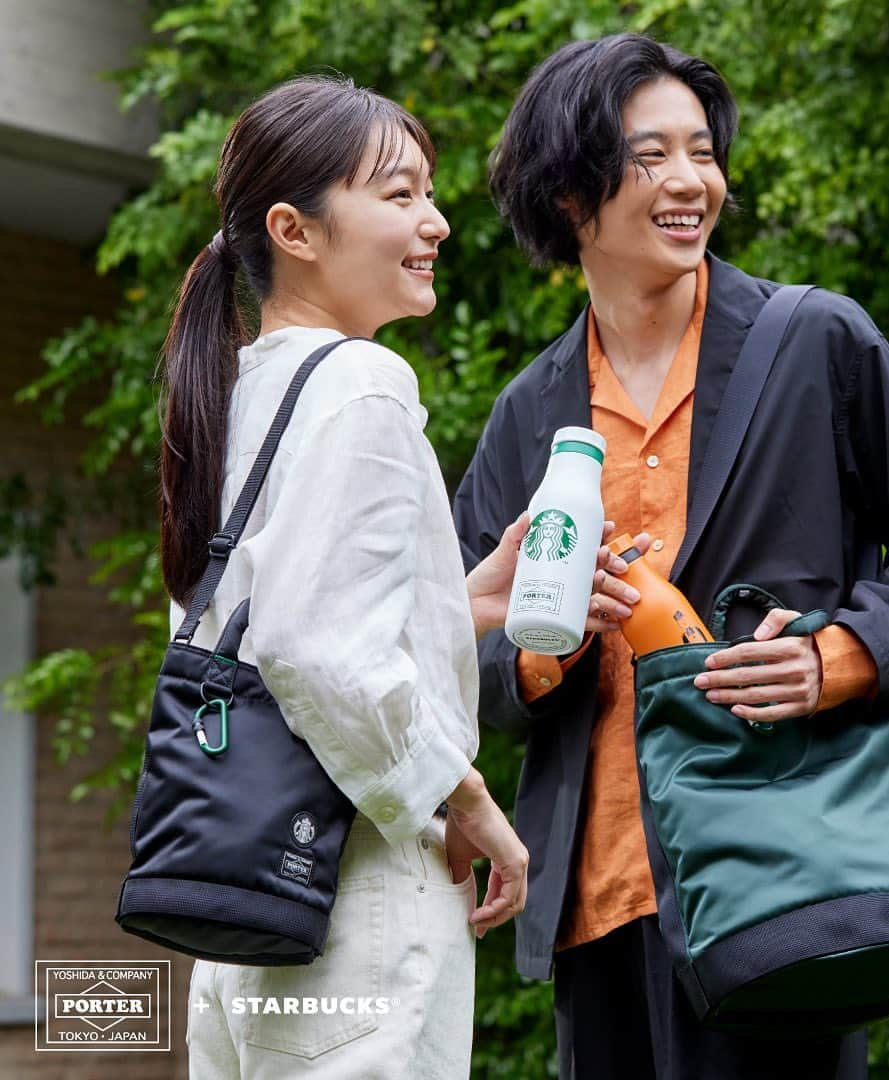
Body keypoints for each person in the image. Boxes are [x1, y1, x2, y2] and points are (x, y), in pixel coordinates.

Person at [453, 33, 889, 1080]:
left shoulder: (817, 342)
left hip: (790, 871)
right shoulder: (526, 417)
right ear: (570, 193)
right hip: (601, 903)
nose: (689, 182)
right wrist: (544, 647)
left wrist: (836, 655)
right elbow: (457, 642)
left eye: (701, 152)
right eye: (650, 154)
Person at [158, 75, 536, 1079]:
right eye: (400, 194)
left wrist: (469, 600)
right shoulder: (364, 383)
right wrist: (468, 800)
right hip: (355, 898)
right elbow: (312, 646)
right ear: (296, 228)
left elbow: (258, 622)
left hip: (245, 917)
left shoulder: (238, 393)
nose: (437, 223)